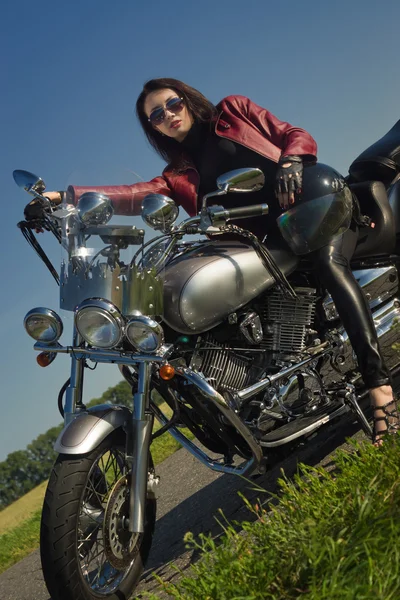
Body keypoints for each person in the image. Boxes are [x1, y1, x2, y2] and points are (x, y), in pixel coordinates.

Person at [27, 77, 398, 445]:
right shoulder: (178, 174)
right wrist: (66, 198)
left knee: (330, 267)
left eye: (173, 104)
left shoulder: (233, 111)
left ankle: (379, 389)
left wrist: (291, 161)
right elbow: (134, 194)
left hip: (312, 202)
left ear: (187, 100)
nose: (169, 115)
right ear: (153, 128)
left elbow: (291, 132)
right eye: (156, 115)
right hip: (266, 241)